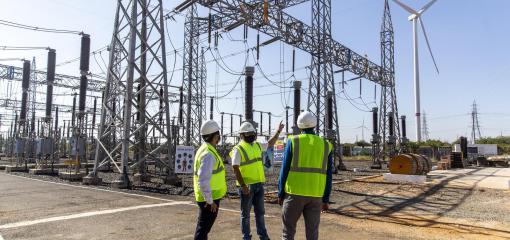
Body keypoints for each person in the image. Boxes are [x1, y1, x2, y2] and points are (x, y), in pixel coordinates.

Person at [278, 112, 333, 240]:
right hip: (316, 195)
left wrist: (281, 193)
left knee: (288, 232)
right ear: (314, 124)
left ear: (299, 125)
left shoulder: (293, 141)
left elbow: (284, 170)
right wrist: (326, 199)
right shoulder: (326, 145)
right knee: (312, 234)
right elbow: (329, 175)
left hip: (294, 194)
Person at [230, 121, 285, 240]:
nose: (250, 135)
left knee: (260, 213)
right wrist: (243, 186)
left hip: (259, 185)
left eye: (252, 133)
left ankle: (263, 236)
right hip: (247, 187)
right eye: (247, 133)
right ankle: (246, 237)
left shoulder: (257, 145)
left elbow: (270, 143)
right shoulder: (238, 149)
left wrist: (278, 131)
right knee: (245, 215)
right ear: (242, 135)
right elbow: (235, 168)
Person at [193, 119, 227, 240]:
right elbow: (203, 180)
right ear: (215, 136)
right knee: (202, 231)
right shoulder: (208, 154)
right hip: (209, 199)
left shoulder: (205, 149)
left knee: (203, 230)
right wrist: (210, 200)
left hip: (208, 197)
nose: (219, 137)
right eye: (218, 134)